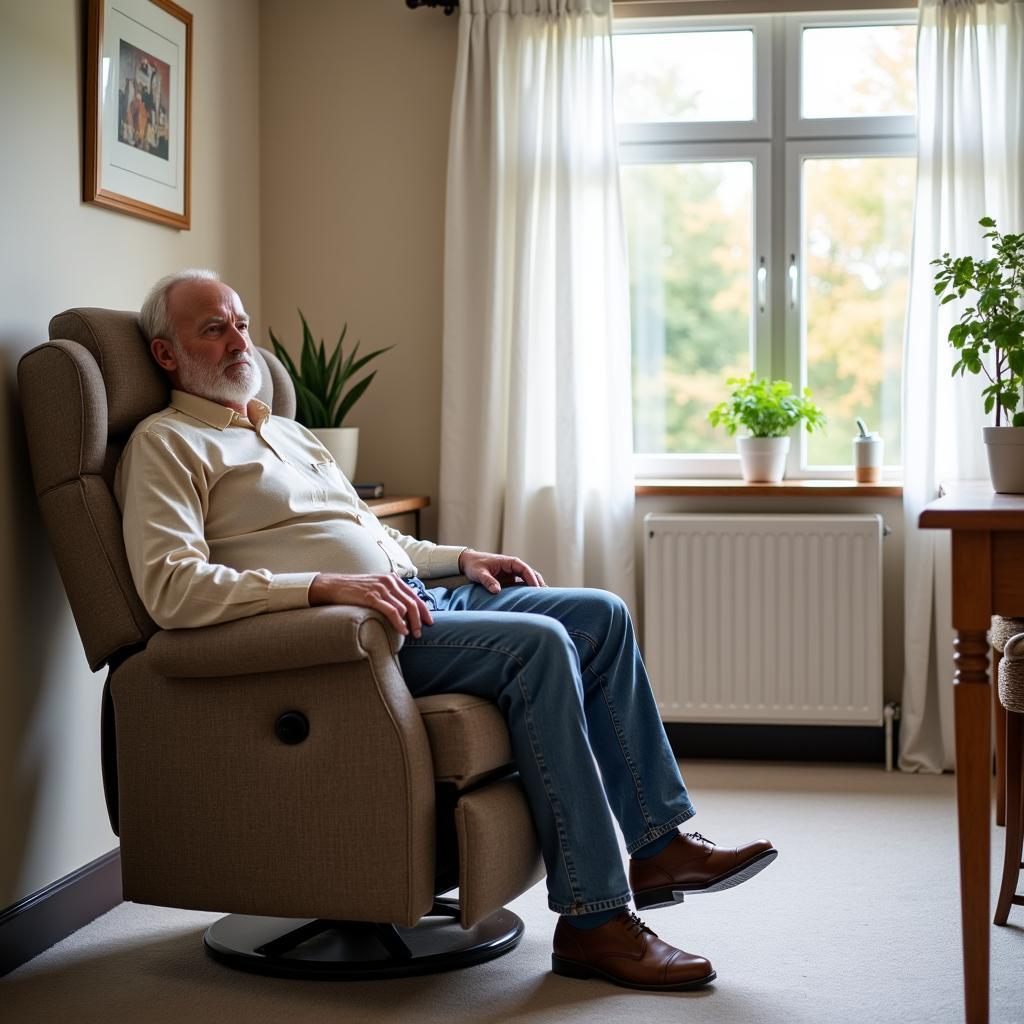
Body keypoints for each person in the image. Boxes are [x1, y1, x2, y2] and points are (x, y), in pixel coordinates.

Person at [115, 269, 778, 993]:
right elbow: (171, 588)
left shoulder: (291, 433)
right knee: (542, 648)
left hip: (418, 599)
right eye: (213, 328)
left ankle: (659, 843)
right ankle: (595, 921)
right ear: (166, 355)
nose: (238, 340)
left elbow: (374, 539)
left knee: (599, 616)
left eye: (240, 323)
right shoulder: (168, 443)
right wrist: (322, 587)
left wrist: (458, 558)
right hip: (349, 642)